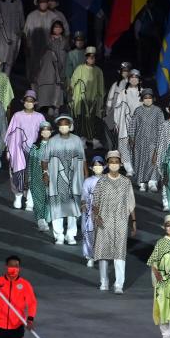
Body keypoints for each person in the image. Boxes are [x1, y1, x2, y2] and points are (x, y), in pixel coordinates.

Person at [92, 150, 137, 293]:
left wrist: (134, 221)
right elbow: (95, 202)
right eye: (111, 162)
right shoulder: (101, 181)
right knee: (103, 252)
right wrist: (96, 216)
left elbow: (131, 203)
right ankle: (104, 282)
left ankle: (119, 284)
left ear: (120, 164)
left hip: (121, 221)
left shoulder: (126, 182)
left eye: (116, 162)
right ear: (107, 164)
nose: (113, 164)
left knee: (119, 253)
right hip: (104, 221)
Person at [40, 115, 86, 245]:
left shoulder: (76, 140)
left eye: (66, 124)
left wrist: (86, 177)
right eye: (61, 124)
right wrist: (45, 174)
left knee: (73, 207)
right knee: (57, 207)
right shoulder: (52, 141)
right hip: (56, 180)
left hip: (74, 180)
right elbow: (44, 160)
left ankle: (71, 234)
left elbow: (83, 159)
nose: (64, 126)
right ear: (58, 127)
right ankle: (59, 235)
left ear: (70, 126)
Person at [4, 90, 46, 209]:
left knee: (32, 175)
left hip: (34, 151)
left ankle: (30, 199)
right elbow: (10, 133)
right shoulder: (17, 116)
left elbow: (45, 134)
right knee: (17, 174)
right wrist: (8, 150)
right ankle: (18, 196)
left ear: (35, 103)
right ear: (23, 102)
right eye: (27, 101)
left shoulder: (40, 117)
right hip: (18, 150)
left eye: (31, 101)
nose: (29, 103)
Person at [24, 0, 69, 81]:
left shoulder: (54, 16)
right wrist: (26, 48)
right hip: (35, 49)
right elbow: (25, 33)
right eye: (41, 1)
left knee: (48, 73)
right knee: (34, 74)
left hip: (49, 49)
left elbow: (62, 32)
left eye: (45, 1)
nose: (43, 3)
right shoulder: (31, 16)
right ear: (37, 3)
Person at [69, 46, 105, 144]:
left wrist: (101, 100)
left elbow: (101, 86)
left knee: (93, 119)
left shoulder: (98, 71)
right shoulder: (80, 68)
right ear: (86, 57)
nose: (91, 58)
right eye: (89, 56)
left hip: (93, 99)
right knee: (82, 119)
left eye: (93, 56)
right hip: (81, 99)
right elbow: (73, 81)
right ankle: (82, 139)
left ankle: (93, 139)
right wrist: (72, 94)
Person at [130, 88, 163, 193]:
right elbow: (132, 125)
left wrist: (160, 142)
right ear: (142, 99)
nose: (148, 100)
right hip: (139, 141)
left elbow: (161, 127)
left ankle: (152, 182)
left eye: (150, 98)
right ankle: (142, 182)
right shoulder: (138, 110)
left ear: (153, 99)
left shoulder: (158, 111)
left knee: (153, 161)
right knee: (140, 161)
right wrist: (132, 137)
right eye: (145, 98)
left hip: (153, 141)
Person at [35, 19, 68, 116]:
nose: (57, 29)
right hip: (50, 68)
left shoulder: (65, 41)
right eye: (55, 27)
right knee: (50, 86)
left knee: (59, 87)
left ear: (62, 29)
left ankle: (56, 107)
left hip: (62, 66)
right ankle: (50, 106)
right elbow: (43, 53)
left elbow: (67, 53)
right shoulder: (48, 39)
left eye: (59, 27)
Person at [114, 69, 142, 175]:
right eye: (132, 77)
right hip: (124, 123)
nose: (134, 79)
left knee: (136, 145)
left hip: (138, 124)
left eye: (136, 77)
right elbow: (117, 108)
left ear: (139, 80)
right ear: (129, 79)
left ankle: (136, 165)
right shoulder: (123, 93)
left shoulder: (142, 92)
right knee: (124, 144)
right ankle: (128, 167)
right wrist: (116, 122)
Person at [28, 122, 53, 232]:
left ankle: (46, 217)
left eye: (48, 130)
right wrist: (28, 177)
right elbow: (31, 163)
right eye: (44, 130)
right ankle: (40, 220)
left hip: (52, 176)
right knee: (39, 198)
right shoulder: (35, 146)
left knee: (49, 198)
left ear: (51, 131)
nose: (46, 132)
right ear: (40, 132)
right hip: (37, 176)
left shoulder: (56, 145)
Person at [81, 156, 105, 267]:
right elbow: (84, 195)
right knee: (89, 233)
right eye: (96, 165)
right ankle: (90, 256)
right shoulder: (88, 181)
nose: (98, 167)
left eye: (100, 165)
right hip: (90, 210)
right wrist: (84, 205)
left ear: (104, 167)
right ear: (91, 167)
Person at [105, 62, 132, 131]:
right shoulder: (116, 84)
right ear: (120, 72)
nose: (125, 73)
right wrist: (108, 109)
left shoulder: (132, 84)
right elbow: (110, 98)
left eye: (127, 71)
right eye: (124, 71)